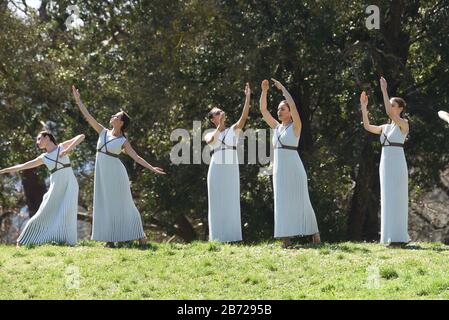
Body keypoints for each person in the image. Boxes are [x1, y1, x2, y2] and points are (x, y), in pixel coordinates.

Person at [72, 85, 165, 248]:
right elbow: (88, 117)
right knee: (104, 203)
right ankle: (110, 239)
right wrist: (78, 101)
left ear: (121, 122)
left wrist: (152, 168)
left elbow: (136, 157)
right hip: (102, 173)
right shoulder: (102, 131)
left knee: (125, 203)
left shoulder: (123, 141)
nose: (112, 116)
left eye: (116, 116)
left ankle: (140, 235)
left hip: (117, 174)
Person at [260, 79, 320, 247]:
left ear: (289, 112)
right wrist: (264, 91)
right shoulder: (276, 127)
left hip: (294, 167)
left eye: (282, 109)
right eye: (278, 109)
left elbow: (293, 106)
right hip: (279, 169)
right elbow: (263, 110)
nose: (279, 111)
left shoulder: (296, 126)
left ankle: (315, 235)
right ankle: (286, 239)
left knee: (302, 200)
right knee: (281, 201)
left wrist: (283, 89)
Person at [0, 131, 84, 246]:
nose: (37, 142)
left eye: (39, 139)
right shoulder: (43, 157)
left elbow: (81, 136)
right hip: (56, 186)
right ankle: (24, 240)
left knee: (68, 212)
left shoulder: (61, 147)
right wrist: (5, 170)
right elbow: (23, 166)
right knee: (44, 212)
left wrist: (68, 149)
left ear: (47, 137)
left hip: (70, 184)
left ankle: (67, 241)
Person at [360, 77, 410, 245]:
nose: (390, 107)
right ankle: (388, 237)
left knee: (399, 197)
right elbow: (367, 126)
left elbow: (389, 113)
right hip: (385, 163)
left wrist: (384, 90)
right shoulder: (384, 127)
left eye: (393, 105)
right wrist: (364, 107)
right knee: (387, 197)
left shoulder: (404, 124)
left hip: (398, 162)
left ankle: (400, 237)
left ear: (400, 109)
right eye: (390, 104)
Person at [204, 83, 251, 242]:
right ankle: (217, 238)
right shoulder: (210, 132)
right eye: (217, 113)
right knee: (217, 202)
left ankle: (232, 237)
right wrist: (220, 126)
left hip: (231, 169)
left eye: (221, 111)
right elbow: (211, 141)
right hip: (216, 169)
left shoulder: (233, 130)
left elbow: (244, 118)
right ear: (212, 119)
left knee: (231, 201)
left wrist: (248, 97)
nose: (221, 113)